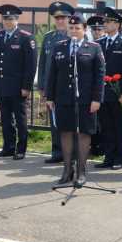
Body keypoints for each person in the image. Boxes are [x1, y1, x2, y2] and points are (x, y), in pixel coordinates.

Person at [46, 15, 105, 187]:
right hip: (63, 98)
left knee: (83, 134)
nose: (73, 31)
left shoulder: (94, 48)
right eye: (71, 28)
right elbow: (53, 74)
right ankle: (67, 170)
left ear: (84, 29)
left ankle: (81, 171)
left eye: (77, 28)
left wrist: (97, 99)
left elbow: (100, 76)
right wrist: (50, 97)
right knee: (65, 132)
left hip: (86, 99)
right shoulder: (59, 47)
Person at [0, 4, 37, 161]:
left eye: (11, 18)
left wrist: (27, 86)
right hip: (2, 85)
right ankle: (8, 147)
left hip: (18, 87)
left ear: (17, 19)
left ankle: (21, 149)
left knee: (20, 118)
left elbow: (30, 65)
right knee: (5, 118)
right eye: (5, 18)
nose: (7, 21)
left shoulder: (26, 37)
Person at [95, 7, 122, 170]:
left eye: (109, 21)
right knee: (106, 126)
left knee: (119, 126)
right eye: (104, 21)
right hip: (102, 93)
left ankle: (120, 157)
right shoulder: (98, 44)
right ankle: (109, 156)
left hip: (118, 94)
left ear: (117, 24)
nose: (105, 24)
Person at [38, 1, 74, 164]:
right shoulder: (48, 38)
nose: (60, 21)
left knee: (70, 120)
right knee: (54, 120)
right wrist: (41, 86)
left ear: (69, 18)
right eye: (57, 18)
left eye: (63, 18)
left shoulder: (74, 36)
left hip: (69, 87)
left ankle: (72, 153)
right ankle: (57, 151)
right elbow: (43, 63)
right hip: (51, 87)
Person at [86, 15, 106, 156]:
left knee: (104, 120)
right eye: (94, 29)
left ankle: (103, 146)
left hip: (105, 87)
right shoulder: (87, 44)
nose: (97, 32)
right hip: (89, 88)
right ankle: (94, 146)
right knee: (92, 119)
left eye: (99, 29)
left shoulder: (104, 44)